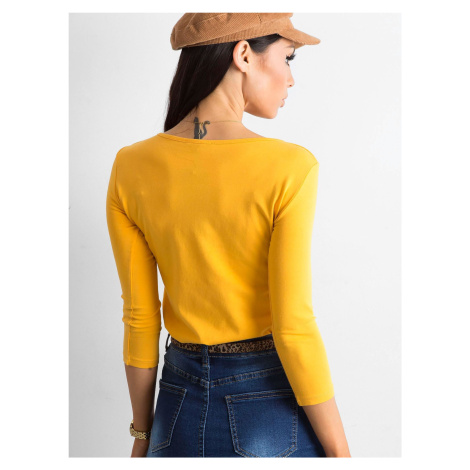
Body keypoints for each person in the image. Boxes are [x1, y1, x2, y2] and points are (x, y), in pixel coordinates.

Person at [106, 12, 351, 458]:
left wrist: (142, 437)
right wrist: (341, 453)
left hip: (174, 411)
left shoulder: (130, 165)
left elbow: (140, 317)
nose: (291, 79)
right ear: (243, 54)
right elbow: (293, 326)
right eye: (289, 58)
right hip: (267, 407)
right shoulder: (289, 167)